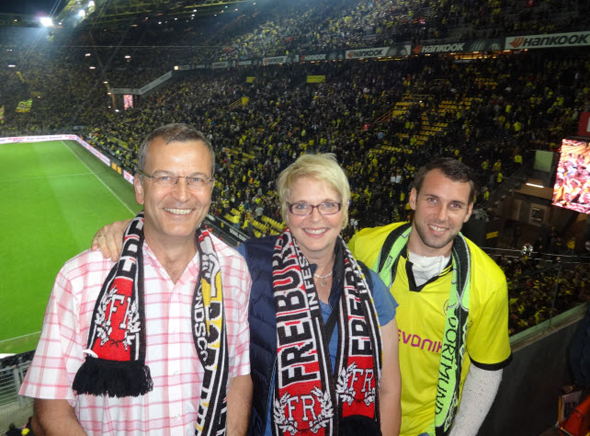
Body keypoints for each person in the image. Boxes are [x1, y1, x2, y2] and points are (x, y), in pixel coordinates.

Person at [92, 153, 402, 436]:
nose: (316, 218)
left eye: (328, 205)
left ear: (345, 210)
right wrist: (133, 228)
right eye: (301, 206)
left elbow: (387, 390)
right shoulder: (248, 262)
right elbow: (181, 254)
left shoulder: (370, 286)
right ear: (285, 212)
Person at [19, 123, 253, 436]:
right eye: (165, 177)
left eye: (196, 179)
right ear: (140, 186)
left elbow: (238, 377)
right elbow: (52, 410)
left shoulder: (235, 271)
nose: (182, 194)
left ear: (210, 189)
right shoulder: (79, 278)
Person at [349, 158, 512, 436]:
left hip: (425, 428)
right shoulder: (364, 248)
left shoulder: (489, 283)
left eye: (455, 205)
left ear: (469, 211)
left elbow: (485, 370)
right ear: (413, 198)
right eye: (433, 200)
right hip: (355, 413)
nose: (441, 216)